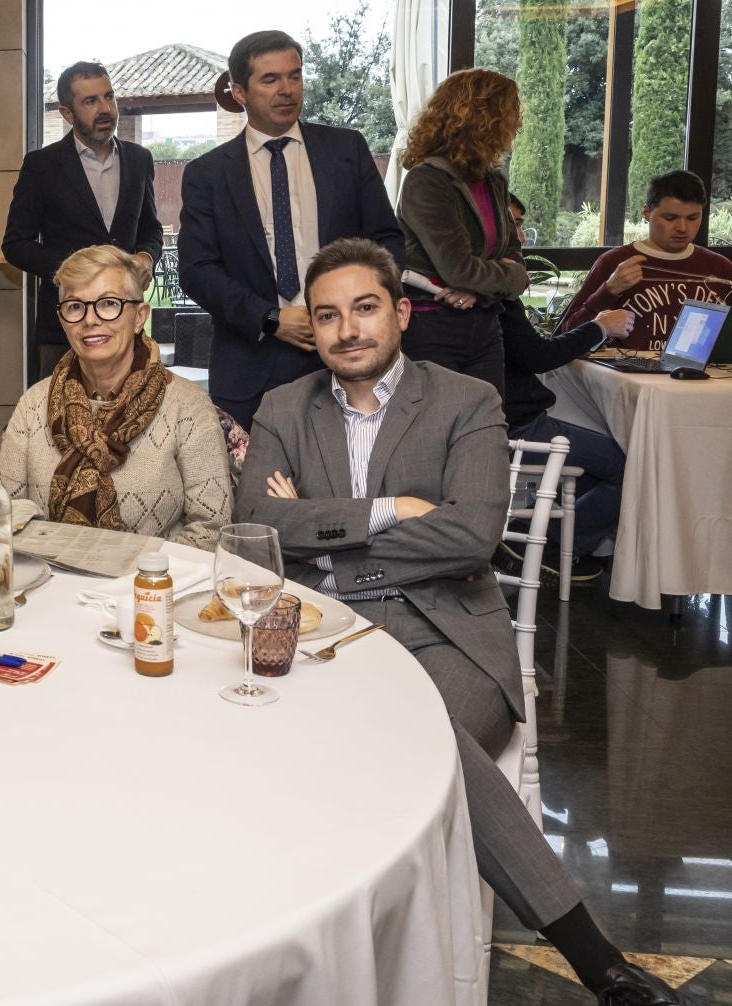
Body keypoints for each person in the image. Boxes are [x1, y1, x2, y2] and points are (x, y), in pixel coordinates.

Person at [237, 238, 684, 1006]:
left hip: (445, 634)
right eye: (328, 315)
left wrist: (329, 546)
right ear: (312, 327)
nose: (348, 330)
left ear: (402, 314)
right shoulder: (285, 406)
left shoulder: (467, 400)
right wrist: (386, 512)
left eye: (365, 309)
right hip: (317, 641)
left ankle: (595, 962)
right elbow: (255, 523)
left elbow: (470, 535)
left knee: (425, 741)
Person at [177, 30, 403, 429]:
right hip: (252, 362)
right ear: (240, 92)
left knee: (356, 484)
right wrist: (271, 318)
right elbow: (197, 271)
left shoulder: (345, 150)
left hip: (351, 354)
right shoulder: (208, 174)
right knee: (259, 488)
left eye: (294, 76)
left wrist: (354, 310)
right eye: (270, 79)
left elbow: (388, 243)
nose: (286, 89)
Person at [0, 245, 230, 548]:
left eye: (108, 303)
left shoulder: (187, 407)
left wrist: (133, 578)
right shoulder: (33, 405)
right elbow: (2, 517)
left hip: (154, 588)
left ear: (139, 316)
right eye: (75, 306)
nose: (90, 319)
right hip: (50, 582)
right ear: (62, 320)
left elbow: (211, 530)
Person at [498, 193, 630, 581]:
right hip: (522, 428)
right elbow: (538, 356)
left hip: (507, 422)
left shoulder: (471, 284)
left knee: (591, 468)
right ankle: (552, 548)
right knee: (629, 467)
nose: (521, 235)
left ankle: (530, 534)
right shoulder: (497, 293)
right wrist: (600, 326)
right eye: (514, 224)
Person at [3, 60, 163, 380]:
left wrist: (147, 255)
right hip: (65, 329)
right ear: (67, 113)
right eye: (90, 101)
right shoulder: (42, 166)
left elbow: (150, 229)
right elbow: (16, 245)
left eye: (109, 97)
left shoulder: (139, 160)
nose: (104, 108)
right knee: (60, 425)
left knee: (128, 422)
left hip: (125, 324)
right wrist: (80, 271)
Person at [395, 68, 528, 398]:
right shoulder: (427, 179)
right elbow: (459, 268)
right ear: (484, 117)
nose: (517, 123)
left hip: (484, 327)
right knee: (438, 440)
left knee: (487, 432)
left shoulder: (493, 179)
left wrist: (481, 291)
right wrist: (504, 276)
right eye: (512, 111)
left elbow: (516, 261)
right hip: (432, 330)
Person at [556, 170, 732, 350]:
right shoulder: (615, 262)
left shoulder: (720, 268)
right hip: (627, 375)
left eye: (693, 217)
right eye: (670, 218)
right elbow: (565, 335)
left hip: (705, 376)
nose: (682, 227)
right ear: (647, 212)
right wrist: (609, 290)